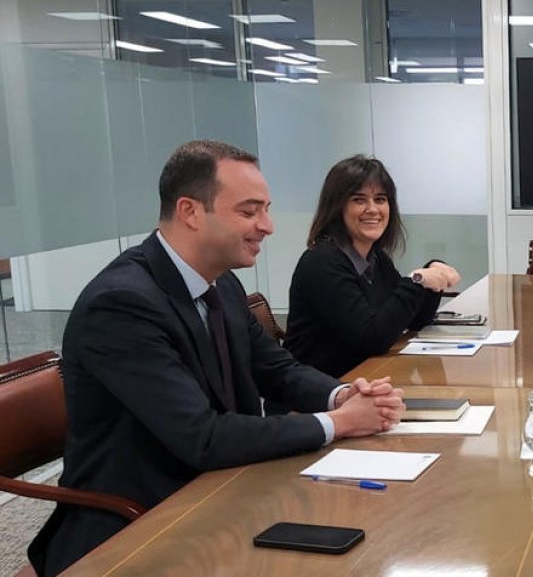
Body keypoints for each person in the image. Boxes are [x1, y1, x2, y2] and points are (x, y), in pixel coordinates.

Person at [29, 141, 406, 576]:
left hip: (229, 485)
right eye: (249, 212)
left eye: (266, 210)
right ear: (190, 211)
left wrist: (342, 395)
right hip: (143, 523)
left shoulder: (221, 284)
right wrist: (338, 423)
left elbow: (277, 368)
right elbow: (202, 436)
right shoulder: (120, 305)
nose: (267, 226)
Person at [284, 155, 461, 379]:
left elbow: (414, 320)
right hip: (323, 391)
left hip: (364, 380)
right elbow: (372, 338)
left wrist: (433, 275)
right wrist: (416, 280)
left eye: (380, 199)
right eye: (359, 200)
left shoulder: (376, 258)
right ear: (337, 207)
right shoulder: (322, 262)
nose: (373, 209)